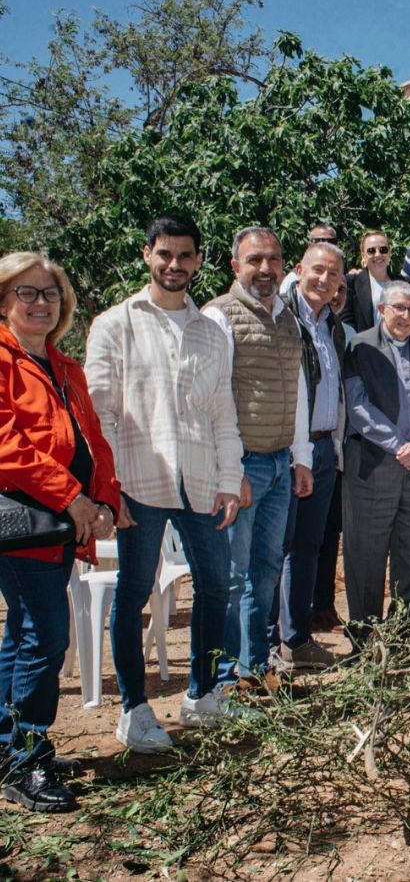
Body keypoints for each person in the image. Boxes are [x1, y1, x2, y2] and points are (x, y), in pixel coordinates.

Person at [86, 216, 243, 756]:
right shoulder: (115, 324)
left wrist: (230, 479)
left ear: (199, 261)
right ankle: (134, 709)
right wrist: (109, 488)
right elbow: (99, 414)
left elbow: (223, 412)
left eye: (184, 256)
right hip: (138, 482)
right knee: (133, 594)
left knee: (216, 588)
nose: (174, 265)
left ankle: (201, 695)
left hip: (200, 483)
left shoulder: (210, 330)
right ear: (147, 255)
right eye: (164, 254)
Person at [0, 252, 119, 812]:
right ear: (4, 299)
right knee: (44, 638)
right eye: (27, 292)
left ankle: (11, 746)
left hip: (62, 520)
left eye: (50, 292)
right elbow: (7, 448)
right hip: (26, 521)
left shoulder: (64, 367)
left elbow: (92, 441)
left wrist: (105, 502)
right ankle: (26, 759)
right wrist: (73, 498)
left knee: (25, 632)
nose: (41, 302)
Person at [203, 227, 313, 692]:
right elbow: (215, 396)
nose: (265, 269)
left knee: (265, 574)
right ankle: (223, 677)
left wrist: (301, 455)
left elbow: (299, 390)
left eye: (273, 259)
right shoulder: (218, 316)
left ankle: (252, 667)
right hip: (241, 466)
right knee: (230, 578)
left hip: (278, 465)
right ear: (235, 266)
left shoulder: (287, 318)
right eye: (254, 260)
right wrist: (231, 471)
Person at [341, 283, 410, 643]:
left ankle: (403, 639)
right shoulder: (360, 347)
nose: (404, 316)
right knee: (366, 558)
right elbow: (357, 407)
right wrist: (400, 446)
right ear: (382, 309)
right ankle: (365, 640)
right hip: (374, 467)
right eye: (397, 308)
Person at [275, 242, 347, 670]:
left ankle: (297, 639)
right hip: (288, 447)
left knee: (308, 547)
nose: (323, 279)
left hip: (323, 447)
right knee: (278, 548)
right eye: (317, 270)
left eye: (332, 273)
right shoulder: (284, 318)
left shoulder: (331, 325)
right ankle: (268, 645)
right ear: (300, 270)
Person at [311, 278, 351, 633]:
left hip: (336, 445)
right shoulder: (305, 325)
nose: (335, 297)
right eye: (331, 291)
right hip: (306, 442)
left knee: (329, 532)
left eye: (341, 291)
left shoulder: (342, 332)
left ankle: (322, 606)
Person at [340, 229, 398, 333]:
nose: (378, 254)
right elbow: (346, 322)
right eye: (371, 251)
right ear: (363, 255)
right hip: (364, 346)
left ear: (389, 253)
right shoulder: (352, 283)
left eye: (383, 249)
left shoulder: (402, 283)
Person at [281, 222, 339, 293]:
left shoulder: (340, 278)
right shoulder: (294, 279)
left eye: (331, 242)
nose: (326, 246)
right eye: (320, 241)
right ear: (310, 246)